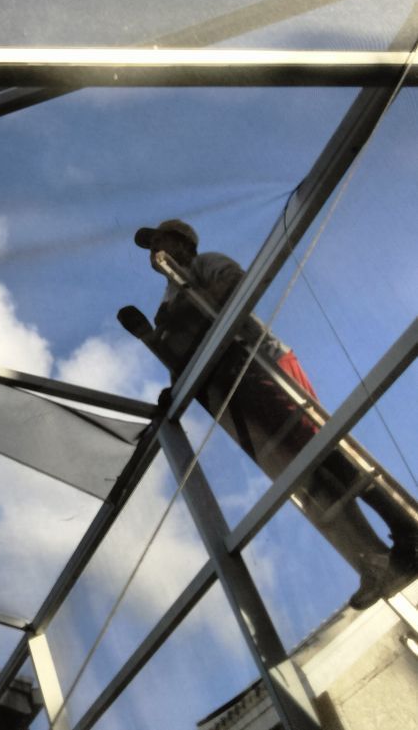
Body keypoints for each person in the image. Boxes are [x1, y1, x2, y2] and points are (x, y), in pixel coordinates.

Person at [126, 218, 417, 610]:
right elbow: (183, 346)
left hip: (260, 360)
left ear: (183, 242)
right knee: (305, 473)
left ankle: (407, 526)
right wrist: (176, 382)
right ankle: (374, 561)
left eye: (160, 240)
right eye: (150, 246)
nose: (153, 250)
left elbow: (237, 285)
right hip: (233, 386)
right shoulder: (167, 299)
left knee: (320, 445)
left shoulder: (203, 265)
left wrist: (188, 307)